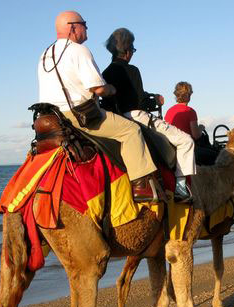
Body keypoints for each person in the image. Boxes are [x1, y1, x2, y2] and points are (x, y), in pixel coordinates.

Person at [38, 11, 158, 202]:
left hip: (51, 118)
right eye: (84, 24)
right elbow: (98, 88)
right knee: (131, 131)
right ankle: (141, 187)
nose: (87, 28)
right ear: (72, 27)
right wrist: (111, 89)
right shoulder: (78, 50)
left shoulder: (45, 54)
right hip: (79, 116)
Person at [101, 28, 195, 202]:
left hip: (115, 119)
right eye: (133, 50)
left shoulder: (105, 73)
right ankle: (181, 189)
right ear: (127, 51)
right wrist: (155, 100)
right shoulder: (133, 70)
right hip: (137, 116)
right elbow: (140, 100)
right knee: (186, 141)